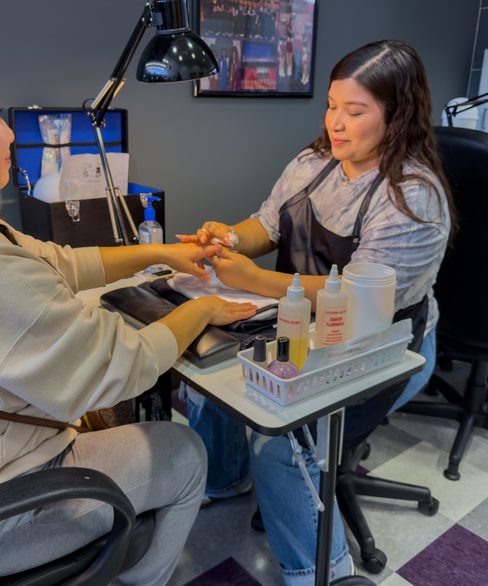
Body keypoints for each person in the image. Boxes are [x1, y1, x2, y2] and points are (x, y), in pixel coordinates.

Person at [0, 24, 257, 585]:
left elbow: (55, 260)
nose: (11, 133)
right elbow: (123, 365)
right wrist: (201, 310)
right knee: (183, 452)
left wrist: (160, 253)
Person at [179, 40, 455, 583]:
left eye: (355, 111)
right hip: (299, 324)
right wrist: (230, 238)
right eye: (331, 106)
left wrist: (254, 279)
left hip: (380, 343)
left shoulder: (411, 198)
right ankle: (226, 480)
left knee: (282, 439)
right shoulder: (314, 162)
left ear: (397, 114)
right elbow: (268, 224)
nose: (336, 123)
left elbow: (356, 297)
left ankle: (319, 572)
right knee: (208, 373)